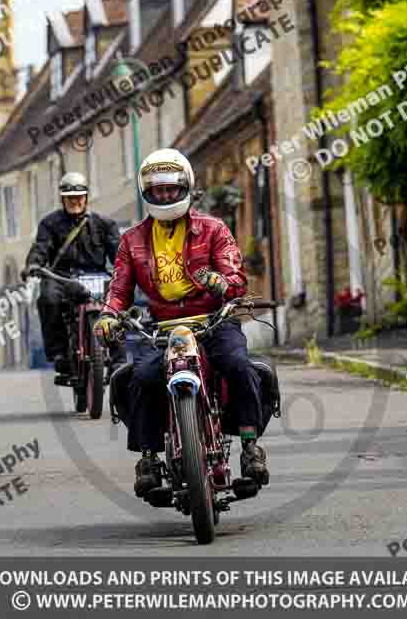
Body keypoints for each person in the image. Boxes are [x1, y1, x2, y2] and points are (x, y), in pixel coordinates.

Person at [94, 148, 269, 498]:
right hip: (161, 327)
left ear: (185, 187)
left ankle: (250, 446)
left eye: (171, 188)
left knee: (238, 364)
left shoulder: (214, 229)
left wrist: (222, 284)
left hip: (213, 321)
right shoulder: (132, 240)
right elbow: (119, 289)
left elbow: (235, 278)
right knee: (140, 376)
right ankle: (147, 457)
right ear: (148, 193)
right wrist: (109, 315)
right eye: (157, 190)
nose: (165, 195)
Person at [22, 172, 120, 374]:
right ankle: (59, 353)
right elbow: (41, 247)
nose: (75, 201)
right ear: (62, 199)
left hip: (97, 276)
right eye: (69, 198)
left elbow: (118, 253)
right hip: (61, 277)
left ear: (86, 198)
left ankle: (118, 358)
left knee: (119, 303)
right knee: (48, 299)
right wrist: (33, 264)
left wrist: (126, 269)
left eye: (78, 197)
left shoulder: (104, 224)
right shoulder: (49, 224)